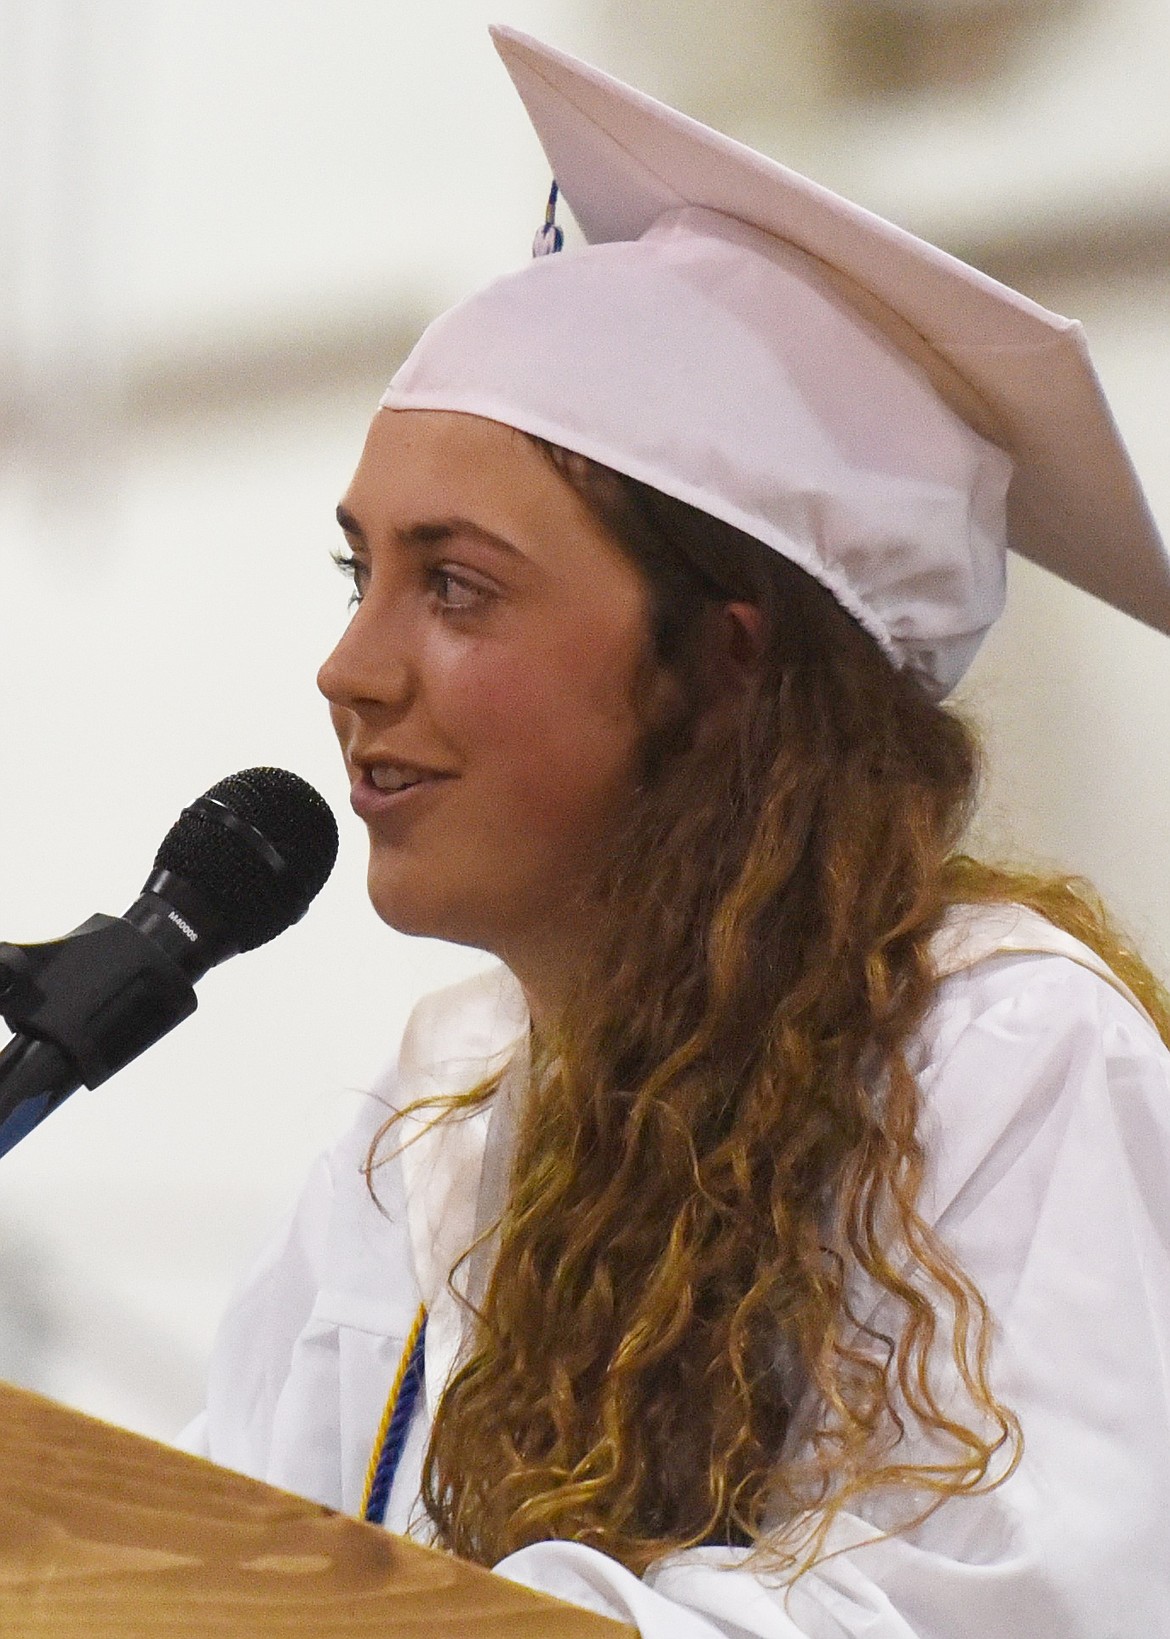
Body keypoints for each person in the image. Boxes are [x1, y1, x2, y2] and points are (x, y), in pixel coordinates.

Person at [182, 27, 1170, 1637]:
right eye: (357, 575)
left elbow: (1024, 1610)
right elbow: (203, 1558)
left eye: (456, 586)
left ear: (725, 665)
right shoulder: (429, 1116)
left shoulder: (999, 1056)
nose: (351, 670)